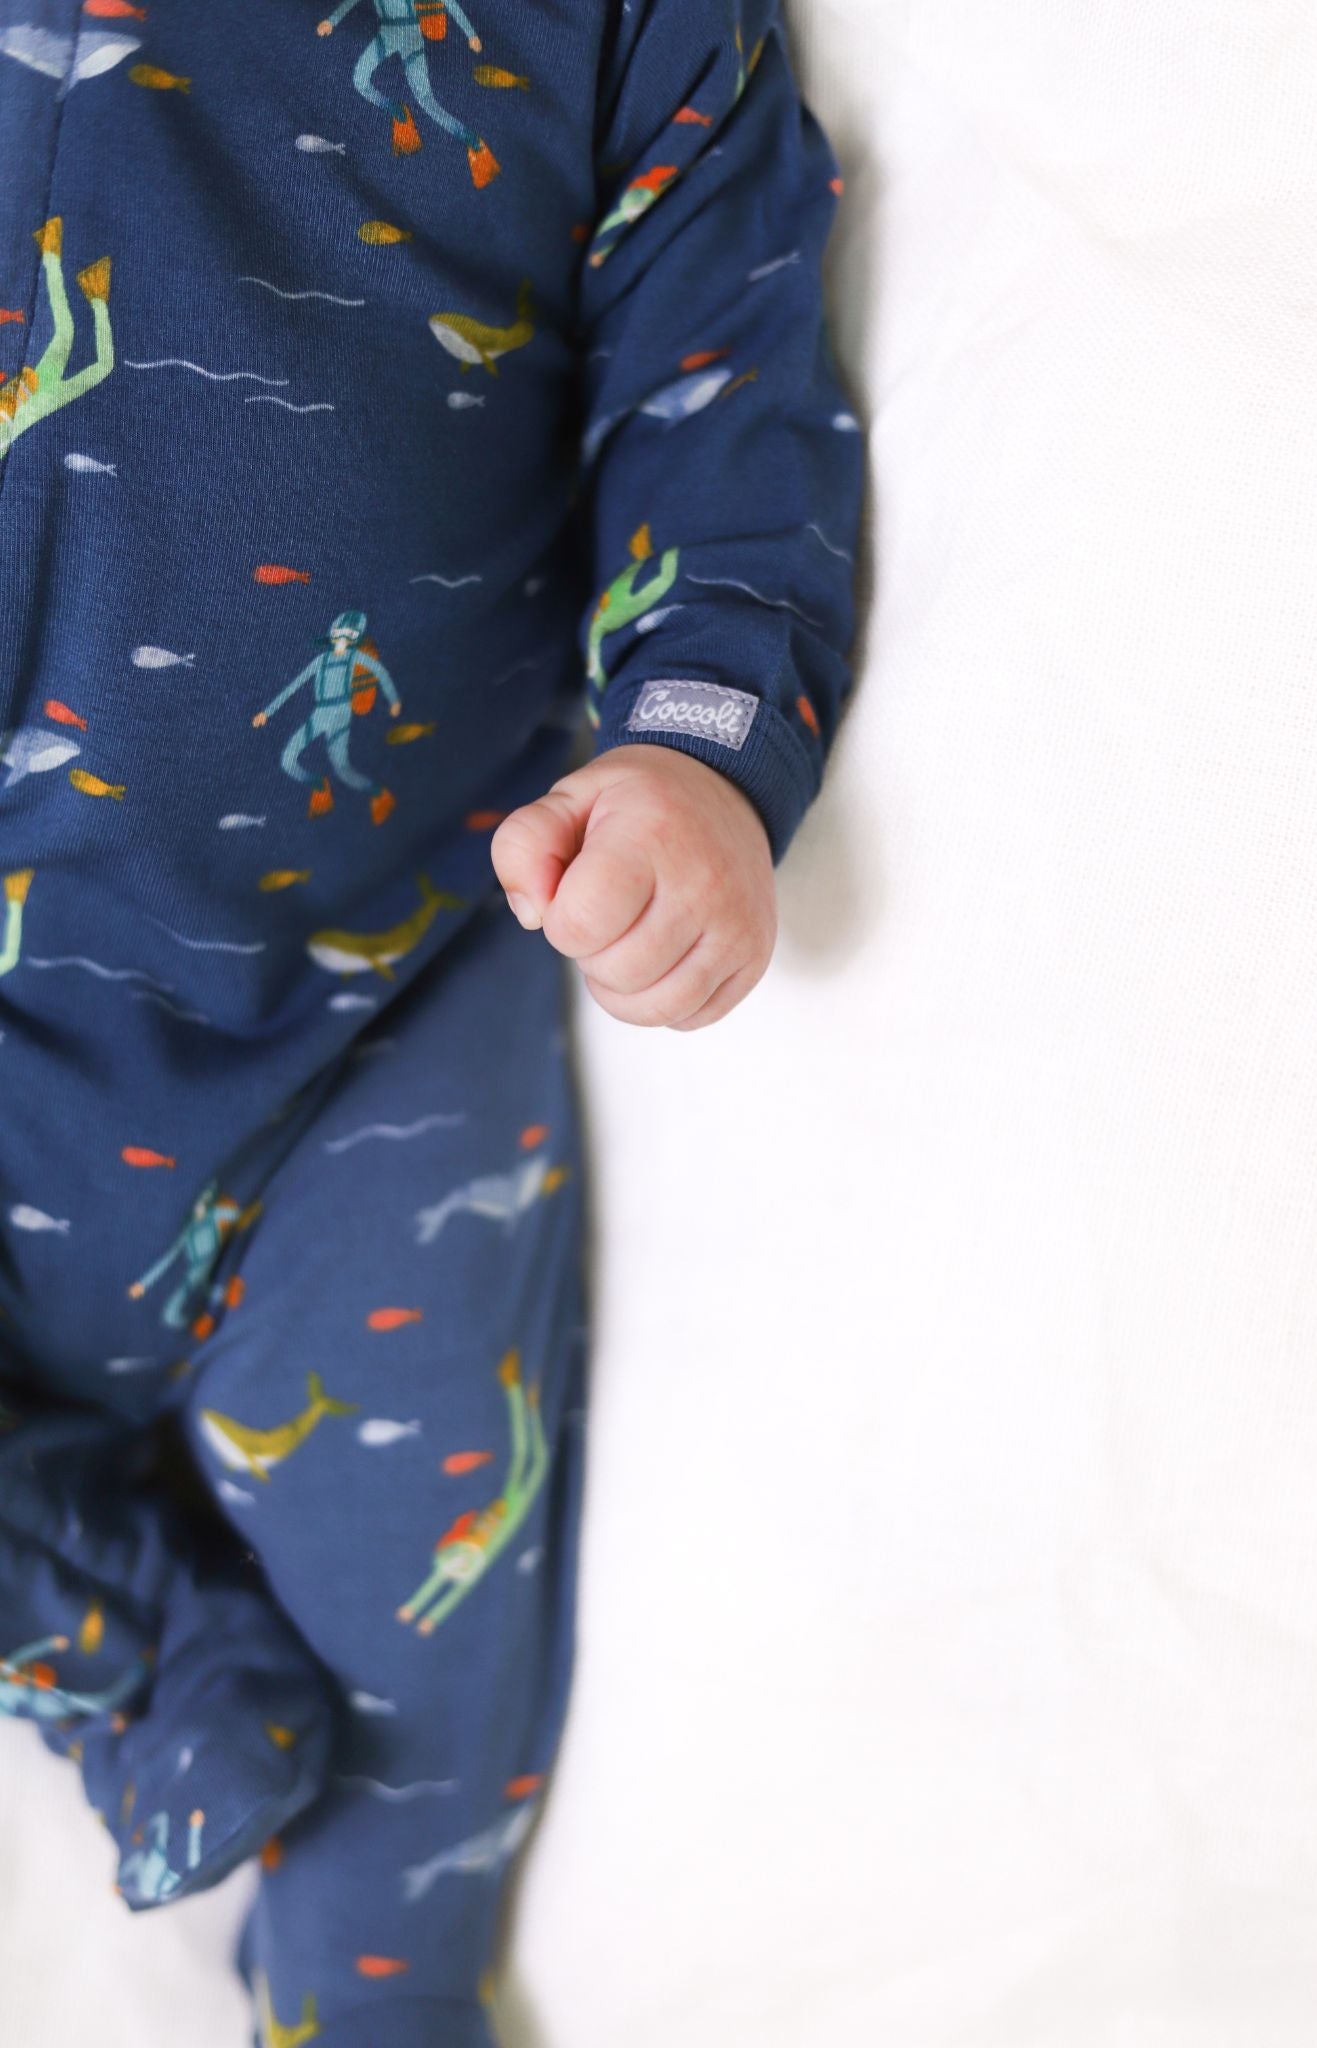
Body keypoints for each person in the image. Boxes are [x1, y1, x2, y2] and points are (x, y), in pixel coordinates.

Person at [0, 1, 864, 2041]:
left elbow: (724, 390)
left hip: (369, 1015)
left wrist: (697, 750)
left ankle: (375, 2006)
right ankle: (118, 1645)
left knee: (430, 1644)